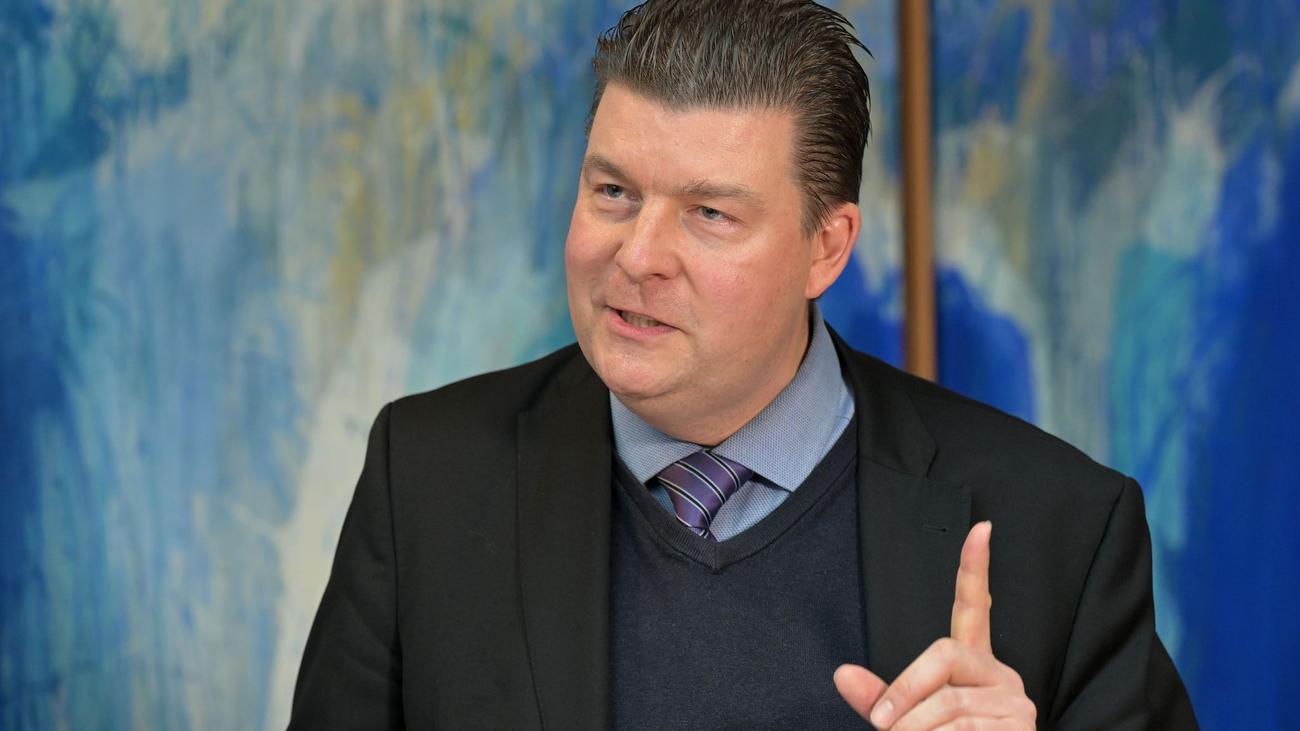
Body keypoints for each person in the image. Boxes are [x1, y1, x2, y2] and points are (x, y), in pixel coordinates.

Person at [289, 1, 1198, 728]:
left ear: (826, 247)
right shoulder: (427, 476)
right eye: (614, 191)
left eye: (709, 214)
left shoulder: (1060, 528)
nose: (638, 254)